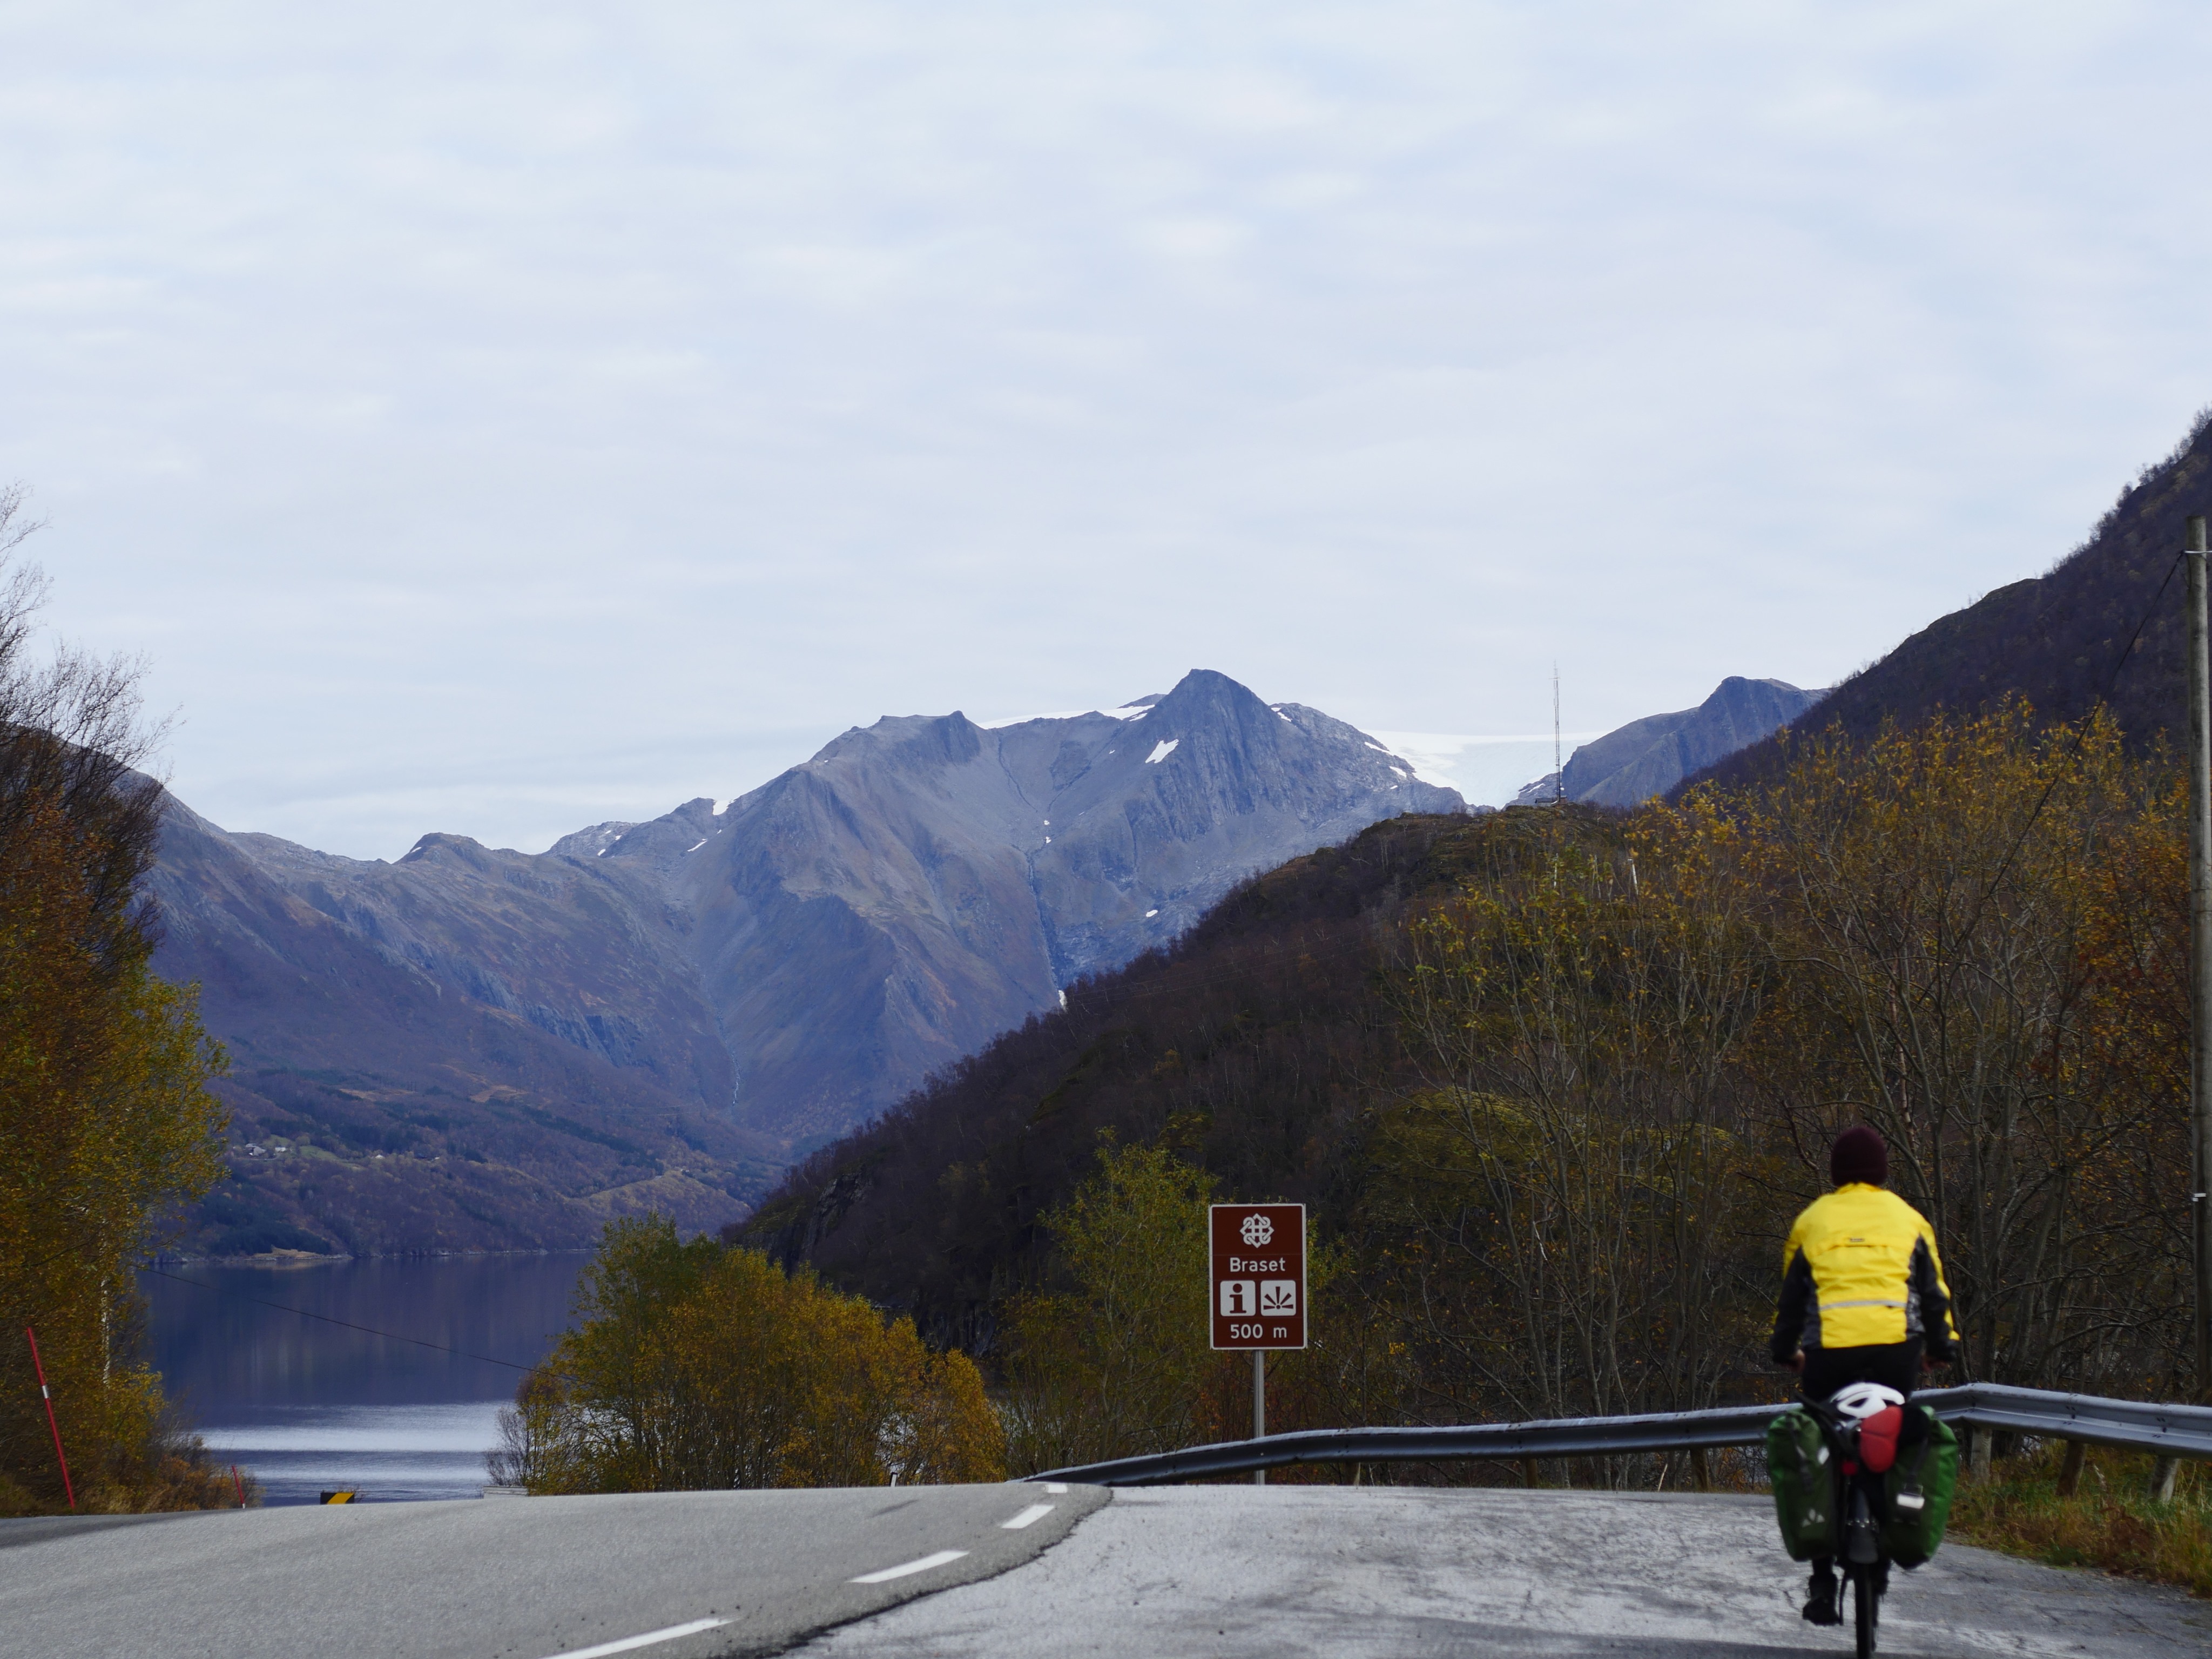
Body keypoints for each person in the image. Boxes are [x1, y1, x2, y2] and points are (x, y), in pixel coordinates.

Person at [1770, 1124, 1959, 1627]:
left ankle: (1822, 1579)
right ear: (1882, 1172)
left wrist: (1787, 1352)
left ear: (1835, 1173)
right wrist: (1941, 1349)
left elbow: (1792, 1302)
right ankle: (1886, 1544)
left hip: (1828, 1356)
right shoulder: (1910, 1219)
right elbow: (1934, 1294)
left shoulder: (1812, 1221)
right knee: (1890, 1437)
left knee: (1822, 1438)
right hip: (1897, 1354)